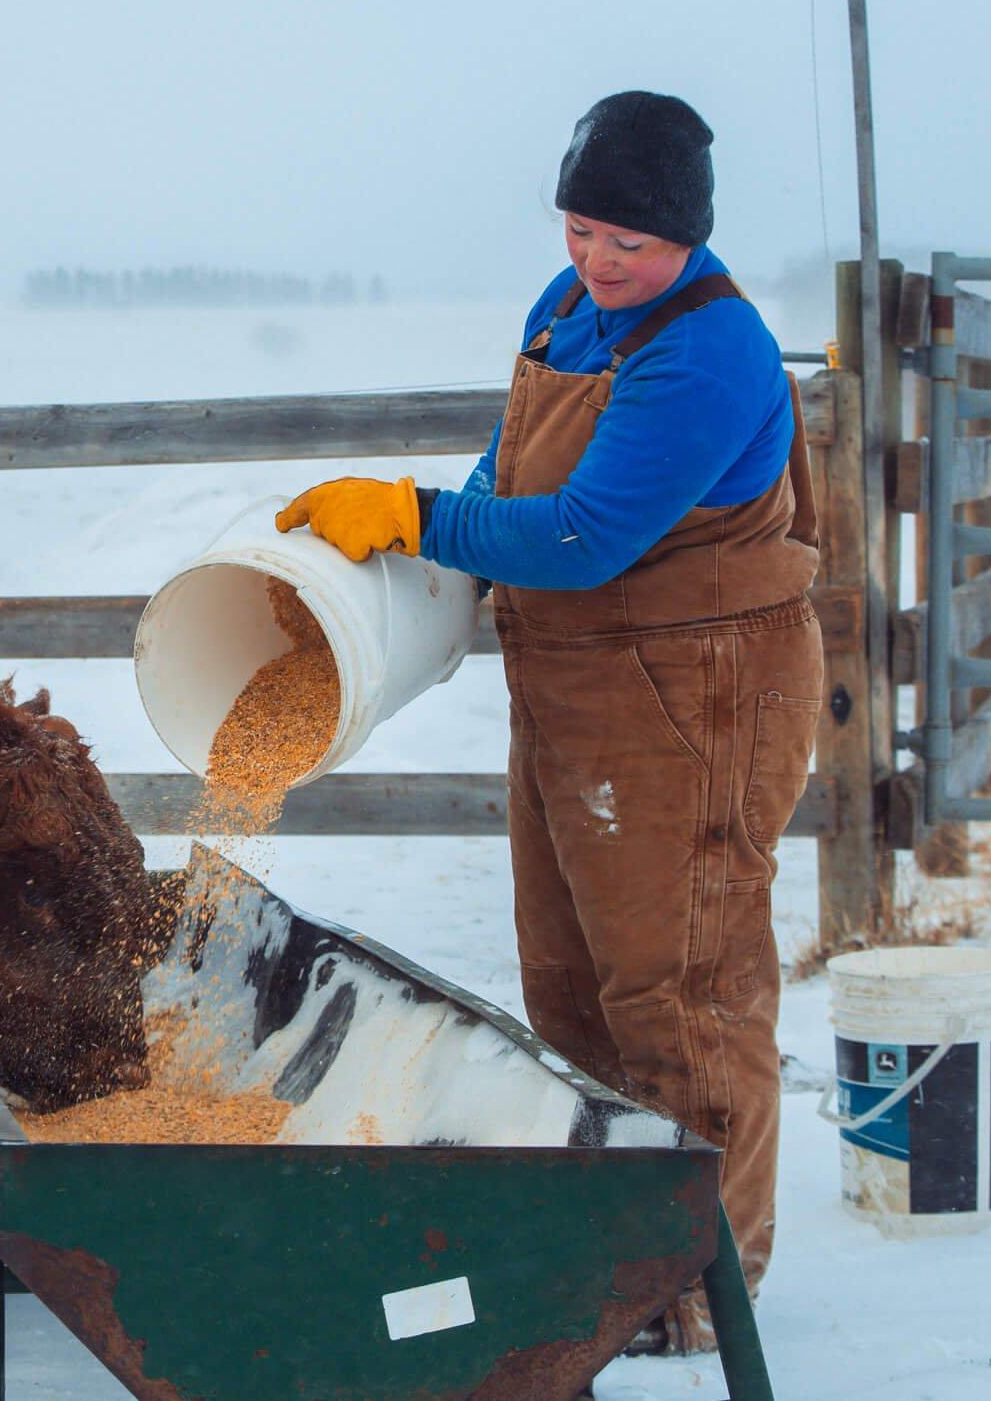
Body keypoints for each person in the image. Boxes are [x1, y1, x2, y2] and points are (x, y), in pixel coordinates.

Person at [277, 90, 822, 1355]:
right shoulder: (567, 311)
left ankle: (700, 1285)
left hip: (694, 697)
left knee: (680, 988)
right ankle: (604, 1254)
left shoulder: (708, 351)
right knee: (570, 978)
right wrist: (433, 551)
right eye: (579, 227)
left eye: (625, 240)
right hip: (578, 688)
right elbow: (511, 473)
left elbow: (579, 533)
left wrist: (415, 514)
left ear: (684, 233)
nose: (596, 259)